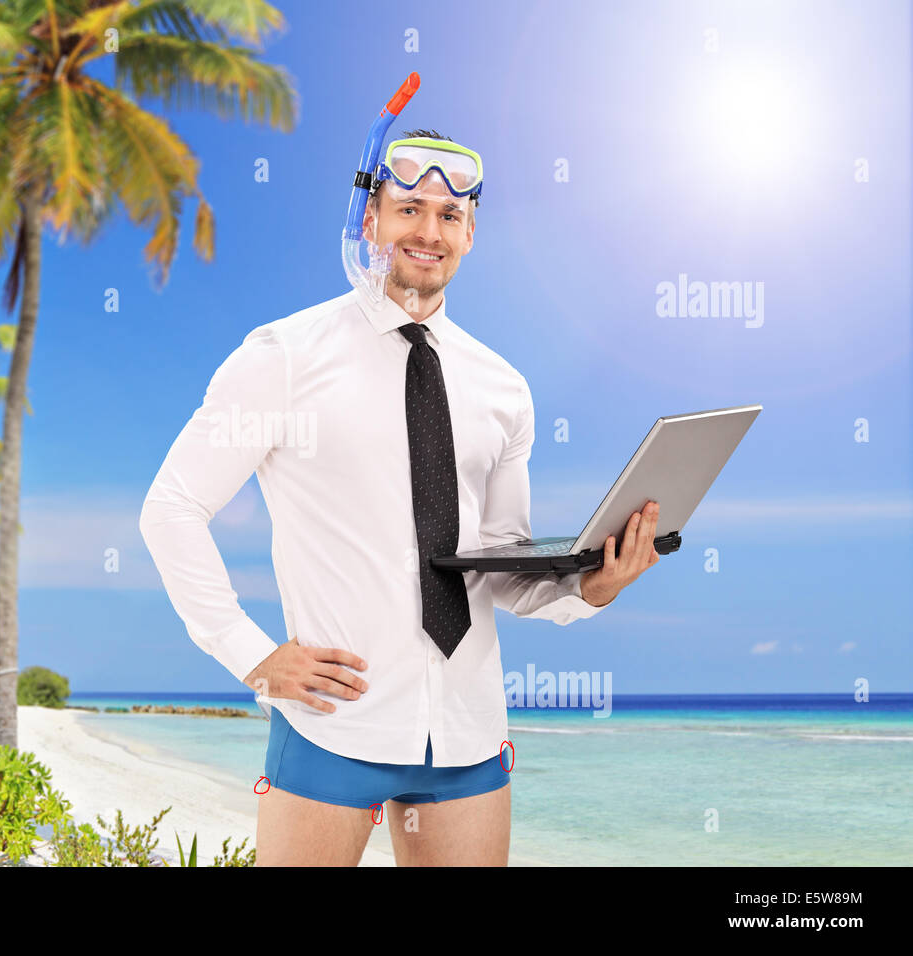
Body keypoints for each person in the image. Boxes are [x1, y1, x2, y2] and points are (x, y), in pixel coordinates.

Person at [139, 128, 661, 866]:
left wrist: (594, 586)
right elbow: (171, 507)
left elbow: (502, 568)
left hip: (468, 729)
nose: (428, 231)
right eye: (409, 208)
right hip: (333, 725)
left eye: (449, 217)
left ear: (471, 234)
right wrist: (254, 657)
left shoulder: (503, 388)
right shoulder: (284, 356)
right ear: (370, 222)